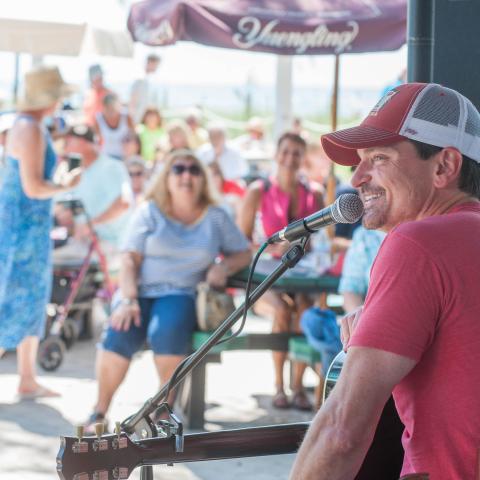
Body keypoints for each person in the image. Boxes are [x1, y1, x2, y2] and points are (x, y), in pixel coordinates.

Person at [290, 83, 480, 480]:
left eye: (379, 158)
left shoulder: (417, 244)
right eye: (359, 161)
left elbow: (341, 432)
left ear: (444, 166)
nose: (357, 178)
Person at [85, 149, 251, 430]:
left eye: (193, 170)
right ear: (167, 177)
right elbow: (129, 258)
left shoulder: (216, 216)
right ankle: (99, 412)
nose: (186, 175)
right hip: (138, 290)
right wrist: (127, 299)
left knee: (167, 329)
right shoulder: (150, 210)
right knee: (119, 331)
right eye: (179, 169)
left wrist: (223, 267)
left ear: (202, 178)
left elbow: (244, 252)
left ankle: (164, 411)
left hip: (181, 292)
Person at [0, 66, 81, 398]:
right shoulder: (30, 128)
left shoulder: (26, 126)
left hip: (23, 229)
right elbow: (33, 188)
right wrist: (64, 184)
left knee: (29, 302)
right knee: (13, 302)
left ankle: (27, 378)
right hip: (23, 231)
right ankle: (26, 378)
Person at [239, 132, 324, 411]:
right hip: (266, 275)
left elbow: (320, 240)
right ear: (276, 155)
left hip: (301, 273)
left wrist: (303, 244)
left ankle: (298, 386)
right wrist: (270, 246)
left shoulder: (315, 193)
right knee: (281, 311)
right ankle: (279, 385)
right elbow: (240, 242)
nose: (290, 158)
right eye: (285, 152)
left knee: (303, 309)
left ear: (303, 158)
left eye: (296, 153)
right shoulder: (258, 191)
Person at [61, 124, 132, 250]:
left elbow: (124, 202)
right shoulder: (72, 171)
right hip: (83, 243)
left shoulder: (112, 167)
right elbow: (61, 206)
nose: (66, 148)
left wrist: (91, 225)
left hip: (111, 244)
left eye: (69, 142)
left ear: (85, 143)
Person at [338, 226, 386, 313]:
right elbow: (350, 289)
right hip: (373, 318)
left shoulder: (414, 230)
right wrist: (361, 321)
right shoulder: (364, 235)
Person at [94, 93, 134, 160]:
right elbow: (96, 141)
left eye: (113, 108)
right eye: (108, 107)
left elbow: (134, 137)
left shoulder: (127, 117)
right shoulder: (98, 119)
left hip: (125, 157)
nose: (111, 111)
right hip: (106, 156)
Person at [128, 53, 161, 124]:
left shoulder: (147, 80)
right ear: (150, 63)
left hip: (144, 121)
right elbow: (133, 101)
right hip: (137, 120)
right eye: (156, 64)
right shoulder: (139, 79)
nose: (156, 67)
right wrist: (132, 121)